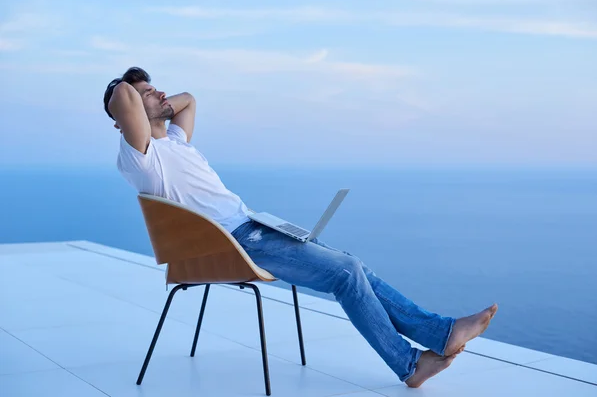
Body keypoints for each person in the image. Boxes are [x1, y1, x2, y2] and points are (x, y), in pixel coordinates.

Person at [104, 67, 498, 388]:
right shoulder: (141, 158)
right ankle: (409, 364)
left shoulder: (175, 142)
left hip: (251, 227)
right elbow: (121, 94)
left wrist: (156, 103)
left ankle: (440, 335)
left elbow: (189, 99)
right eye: (147, 93)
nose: (158, 93)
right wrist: (136, 95)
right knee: (345, 274)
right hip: (229, 244)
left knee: (351, 264)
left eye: (156, 88)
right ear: (126, 119)